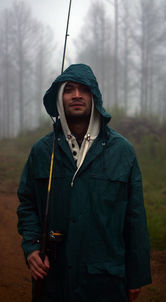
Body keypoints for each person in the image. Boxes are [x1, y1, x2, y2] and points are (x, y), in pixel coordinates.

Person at [17, 63, 152, 302]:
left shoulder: (122, 151)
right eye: (69, 89)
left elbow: (135, 218)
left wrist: (136, 275)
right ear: (59, 98)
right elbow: (27, 204)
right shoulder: (41, 151)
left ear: (94, 96)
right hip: (52, 282)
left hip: (106, 283)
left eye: (84, 89)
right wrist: (32, 246)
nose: (77, 95)